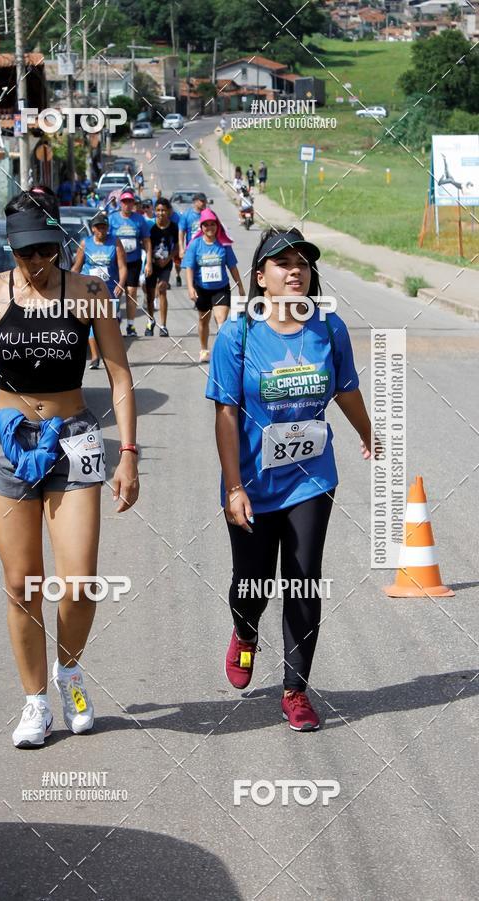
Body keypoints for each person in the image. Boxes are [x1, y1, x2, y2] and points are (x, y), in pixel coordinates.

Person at [0, 187, 139, 749]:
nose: (38, 262)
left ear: (58, 242)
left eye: (47, 248)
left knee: (80, 582)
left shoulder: (90, 291)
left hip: (73, 439)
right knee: (23, 583)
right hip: (6, 440)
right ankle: (35, 703)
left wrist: (130, 456)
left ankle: (70, 671)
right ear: (10, 246)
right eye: (27, 252)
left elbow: (120, 378)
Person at [205, 227, 374, 732]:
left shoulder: (329, 327)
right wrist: (234, 486)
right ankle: (245, 630)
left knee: (302, 577)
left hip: (311, 479)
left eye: (302, 262)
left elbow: (344, 388)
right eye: (282, 263)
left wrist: (370, 433)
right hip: (253, 482)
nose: (295, 270)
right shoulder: (238, 333)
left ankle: (295, 690)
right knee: (252, 583)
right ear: (261, 278)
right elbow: (226, 414)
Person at [181, 208, 244, 363]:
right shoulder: (195, 245)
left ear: (217, 226)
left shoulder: (224, 246)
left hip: (221, 288)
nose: (210, 228)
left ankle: (221, 350)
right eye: (206, 225)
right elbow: (189, 267)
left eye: (212, 224)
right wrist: (190, 288)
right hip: (202, 289)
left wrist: (240, 286)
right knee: (203, 320)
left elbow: (232, 267)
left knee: (221, 319)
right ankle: (204, 348)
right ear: (201, 227)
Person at [71, 209, 128, 368]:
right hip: (89, 290)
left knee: (109, 323)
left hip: (110, 290)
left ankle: (111, 356)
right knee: (90, 321)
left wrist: (121, 283)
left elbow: (122, 267)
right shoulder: (85, 243)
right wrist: (68, 282)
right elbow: (77, 266)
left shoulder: (115, 242)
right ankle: (95, 357)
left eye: (104, 227)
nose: (101, 230)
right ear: (93, 228)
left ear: (107, 228)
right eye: (98, 227)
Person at [109, 189, 152, 337]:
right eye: (125, 202)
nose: (127, 205)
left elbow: (147, 241)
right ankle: (115, 321)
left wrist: (149, 263)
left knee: (132, 292)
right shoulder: (112, 219)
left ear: (133, 203)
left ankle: (130, 326)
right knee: (116, 292)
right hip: (115, 262)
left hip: (133, 261)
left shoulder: (139, 220)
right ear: (120, 203)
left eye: (130, 202)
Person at [144, 197, 178, 337]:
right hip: (152, 264)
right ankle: (150, 320)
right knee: (150, 293)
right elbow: (147, 244)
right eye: (158, 210)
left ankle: (163, 325)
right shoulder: (150, 227)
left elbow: (177, 246)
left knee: (162, 289)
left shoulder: (174, 227)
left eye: (163, 210)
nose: (160, 213)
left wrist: (168, 259)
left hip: (166, 264)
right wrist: (150, 262)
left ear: (168, 211)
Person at [178, 192, 207, 258]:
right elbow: (181, 232)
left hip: (206, 249)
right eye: (202, 201)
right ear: (195, 202)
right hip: (192, 249)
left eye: (205, 201)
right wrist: (181, 249)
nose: (204, 203)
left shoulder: (208, 214)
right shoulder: (186, 215)